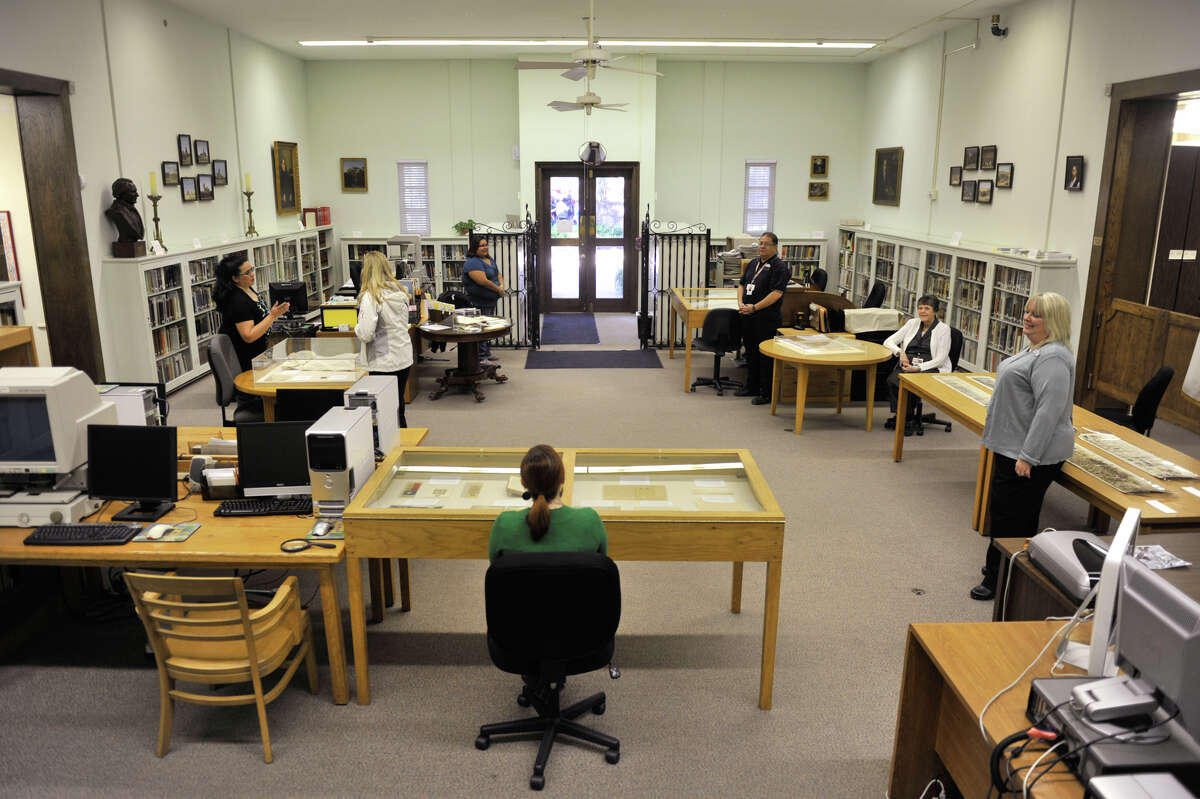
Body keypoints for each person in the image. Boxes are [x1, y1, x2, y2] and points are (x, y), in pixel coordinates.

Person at [971, 292, 1076, 601]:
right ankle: (1003, 567)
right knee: (1004, 513)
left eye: (1037, 314)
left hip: (1027, 454)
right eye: (1028, 311)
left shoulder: (1053, 357)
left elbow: (1049, 411)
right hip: (1011, 446)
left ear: (1053, 321)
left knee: (1012, 518)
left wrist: (1028, 456)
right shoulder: (1035, 348)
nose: (1027, 318)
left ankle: (1000, 578)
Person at [487, 444, 608, 563]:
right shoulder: (590, 521)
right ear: (563, 479)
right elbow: (602, 568)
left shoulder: (504, 525)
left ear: (523, 483)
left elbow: (496, 571)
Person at [212, 253, 289, 417]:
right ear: (235, 278)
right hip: (249, 363)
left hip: (261, 356)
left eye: (251, 269)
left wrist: (274, 314)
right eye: (247, 273)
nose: (252, 274)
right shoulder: (237, 301)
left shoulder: (247, 288)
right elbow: (249, 336)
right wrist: (272, 316)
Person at [354, 251, 413, 428]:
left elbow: (365, 334)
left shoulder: (371, 297)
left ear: (367, 271)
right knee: (397, 405)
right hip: (403, 357)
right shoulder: (400, 291)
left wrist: (356, 326)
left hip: (382, 361)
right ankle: (403, 441)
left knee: (381, 410)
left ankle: (388, 449)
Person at [734, 231, 791, 405]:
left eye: (766, 244)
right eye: (760, 243)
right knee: (750, 353)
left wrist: (754, 307)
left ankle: (766, 393)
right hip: (748, 315)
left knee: (765, 356)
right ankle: (751, 386)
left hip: (766, 318)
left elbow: (776, 293)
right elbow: (742, 284)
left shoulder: (779, 267)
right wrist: (741, 303)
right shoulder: (753, 263)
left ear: (775, 247)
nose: (762, 246)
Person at [883, 295, 952, 434]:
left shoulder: (943, 329)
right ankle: (903, 415)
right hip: (908, 363)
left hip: (930, 366)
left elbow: (941, 359)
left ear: (935, 311)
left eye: (927, 308)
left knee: (911, 382)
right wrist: (900, 352)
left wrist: (918, 368)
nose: (923, 311)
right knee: (893, 380)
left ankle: (905, 419)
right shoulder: (912, 323)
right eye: (920, 308)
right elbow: (888, 341)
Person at [463, 234, 505, 365]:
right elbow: (483, 281)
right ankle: (481, 357)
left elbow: (498, 273)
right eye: (481, 245)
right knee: (480, 328)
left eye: (486, 244)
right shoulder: (473, 262)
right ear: (475, 248)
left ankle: (486, 352)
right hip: (478, 302)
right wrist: (498, 289)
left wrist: (502, 285)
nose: (485, 247)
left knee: (487, 327)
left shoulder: (489, 259)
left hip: (490, 300)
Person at [104, 178, 144, 242]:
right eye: (133, 192)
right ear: (121, 194)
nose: (137, 195)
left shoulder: (132, 210)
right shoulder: (116, 211)